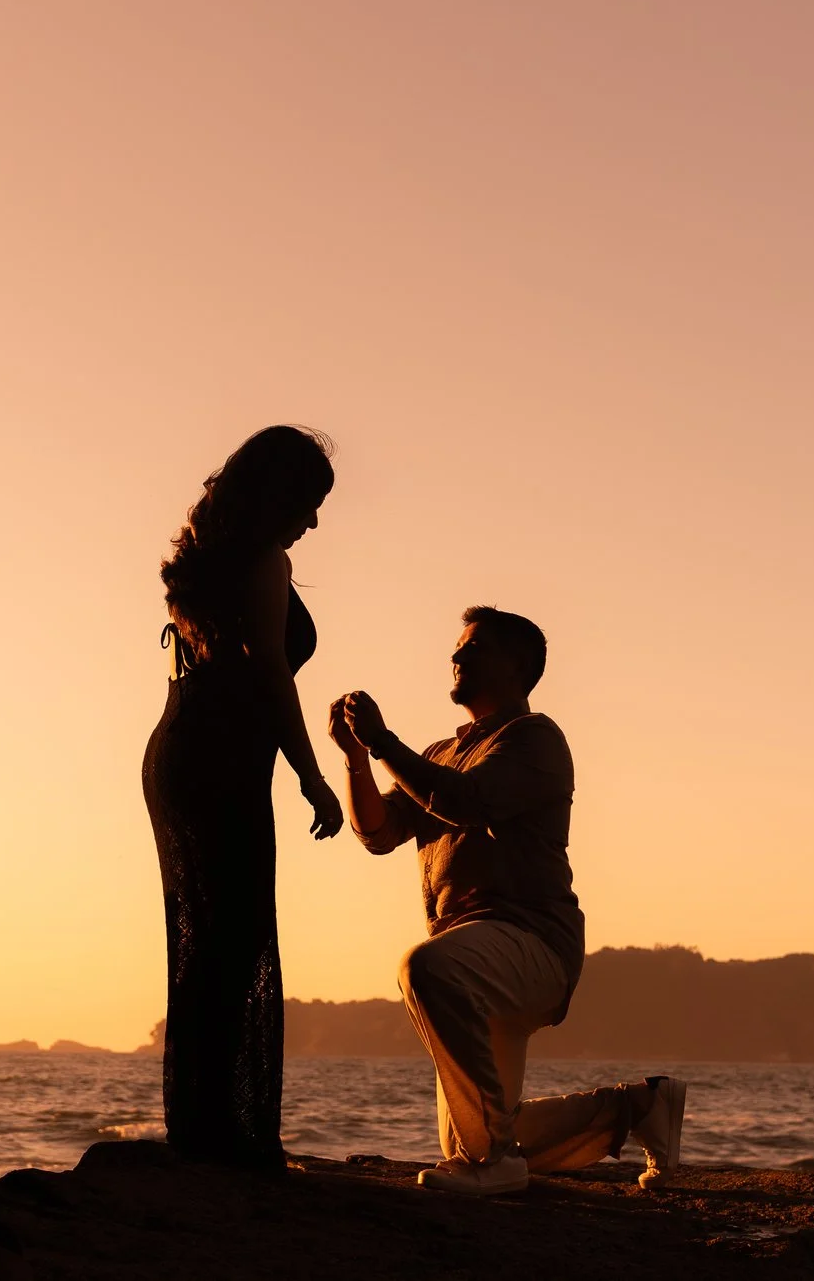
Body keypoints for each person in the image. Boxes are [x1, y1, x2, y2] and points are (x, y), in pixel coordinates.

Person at [330, 606, 686, 1195]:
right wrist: (357, 758)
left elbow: (469, 801)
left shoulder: (535, 738)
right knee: (479, 1130)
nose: (457, 657)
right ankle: (643, 1107)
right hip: (474, 954)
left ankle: (494, 1162)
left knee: (425, 968)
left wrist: (384, 741)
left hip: (530, 943)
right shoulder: (442, 752)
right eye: (458, 647)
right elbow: (377, 833)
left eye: (474, 648)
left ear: (518, 668)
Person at [142, 426, 348, 1165]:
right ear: (279, 495)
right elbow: (270, 674)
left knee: (209, 940)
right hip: (220, 755)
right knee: (231, 938)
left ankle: (201, 1125)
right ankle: (221, 1134)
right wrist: (311, 772)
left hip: (182, 747)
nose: (315, 520)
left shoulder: (208, 560)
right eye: (310, 502)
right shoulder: (264, 559)